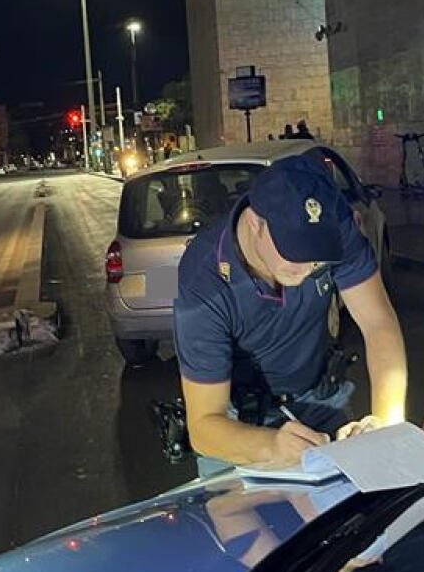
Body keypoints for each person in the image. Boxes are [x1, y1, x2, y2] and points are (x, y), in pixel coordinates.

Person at [174, 155, 407, 470]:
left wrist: (385, 425)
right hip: (241, 422)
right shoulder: (206, 280)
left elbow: (379, 324)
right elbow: (204, 426)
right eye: (295, 251)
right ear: (255, 222)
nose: (309, 266)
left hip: (320, 396)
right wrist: (271, 445)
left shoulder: (338, 229)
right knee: (239, 514)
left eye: (318, 257)